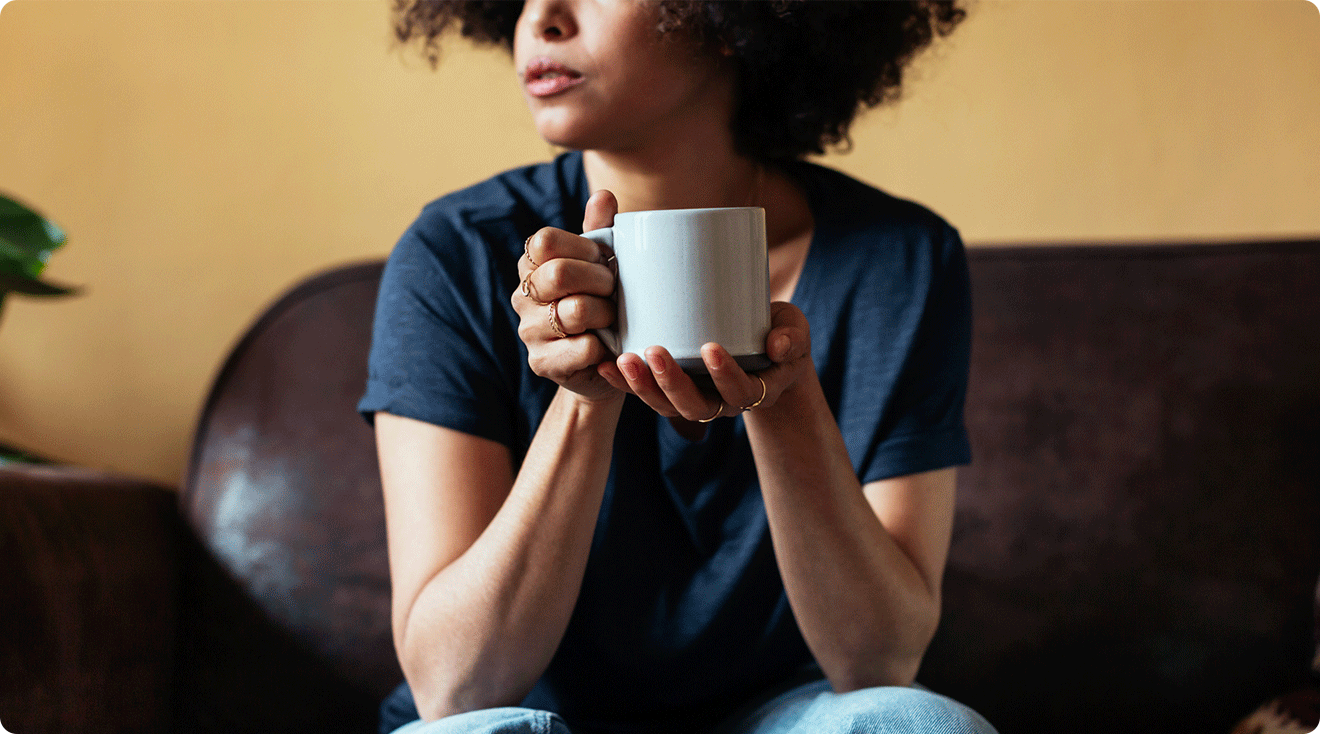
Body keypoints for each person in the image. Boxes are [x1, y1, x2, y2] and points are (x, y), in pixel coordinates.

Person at [358, 1, 998, 733]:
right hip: (528, 712)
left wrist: (782, 395)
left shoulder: (901, 260)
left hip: (780, 712)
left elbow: (878, 662)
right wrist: (584, 398)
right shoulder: (455, 252)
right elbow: (454, 688)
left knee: (917, 725)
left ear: (730, 18)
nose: (543, 19)